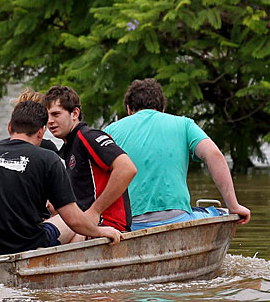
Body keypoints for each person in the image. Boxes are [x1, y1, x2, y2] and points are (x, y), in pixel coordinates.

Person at [0, 101, 122, 257]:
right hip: (26, 246)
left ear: (9, 127)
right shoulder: (48, 159)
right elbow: (73, 219)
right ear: (42, 131)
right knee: (74, 223)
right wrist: (100, 231)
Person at [104, 79, 250, 229]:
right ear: (162, 108)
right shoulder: (184, 124)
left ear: (128, 109)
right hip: (177, 219)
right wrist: (233, 206)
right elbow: (214, 154)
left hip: (129, 223)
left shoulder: (109, 132)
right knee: (222, 212)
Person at [43, 85, 136, 234]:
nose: (50, 121)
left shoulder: (88, 136)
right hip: (85, 226)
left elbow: (127, 168)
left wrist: (95, 210)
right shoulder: (68, 146)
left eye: (56, 114)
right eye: (47, 116)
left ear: (75, 113)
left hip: (106, 224)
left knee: (44, 235)